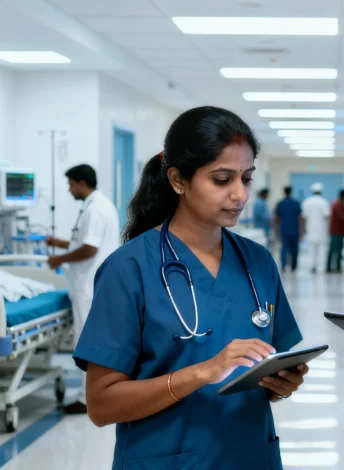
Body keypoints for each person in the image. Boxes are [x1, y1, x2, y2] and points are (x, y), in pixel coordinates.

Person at [72, 106, 308, 469]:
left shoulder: (257, 263)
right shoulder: (130, 268)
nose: (240, 195)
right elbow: (102, 406)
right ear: (178, 180)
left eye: (245, 179)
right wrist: (202, 372)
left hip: (252, 456)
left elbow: (262, 378)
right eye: (221, 179)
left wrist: (281, 384)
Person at [45, 163, 119, 415]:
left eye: (70, 184)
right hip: (92, 285)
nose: (69, 189)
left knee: (86, 343)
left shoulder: (95, 209)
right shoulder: (99, 206)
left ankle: (86, 399)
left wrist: (59, 258)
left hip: (88, 287)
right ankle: (93, 394)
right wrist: (59, 242)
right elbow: (83, 241)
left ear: (81, 183)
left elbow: (89, 248)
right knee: (94, 342)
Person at [301, 182, 331, 273]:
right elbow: (327, 216)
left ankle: (312, 266)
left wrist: (303, 229)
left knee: (311, 250)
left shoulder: (307, 202)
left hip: (310, 229)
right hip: (321, 230)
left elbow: (304, 217)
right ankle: (320, 267)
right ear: (321, 191)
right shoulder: (324, 202)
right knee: (321, 250)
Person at [274, 186, 303, 272]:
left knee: (284, 248)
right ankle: (293, 267)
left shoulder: (280, 203)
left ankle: (283, 266)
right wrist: (302, 229)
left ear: (284, 192)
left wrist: (276, 230)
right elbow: (299, 217)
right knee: (294, 249)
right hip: (295, 230)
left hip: (284, 230)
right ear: (291, 192)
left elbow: (277, 219)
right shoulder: (296, 203)